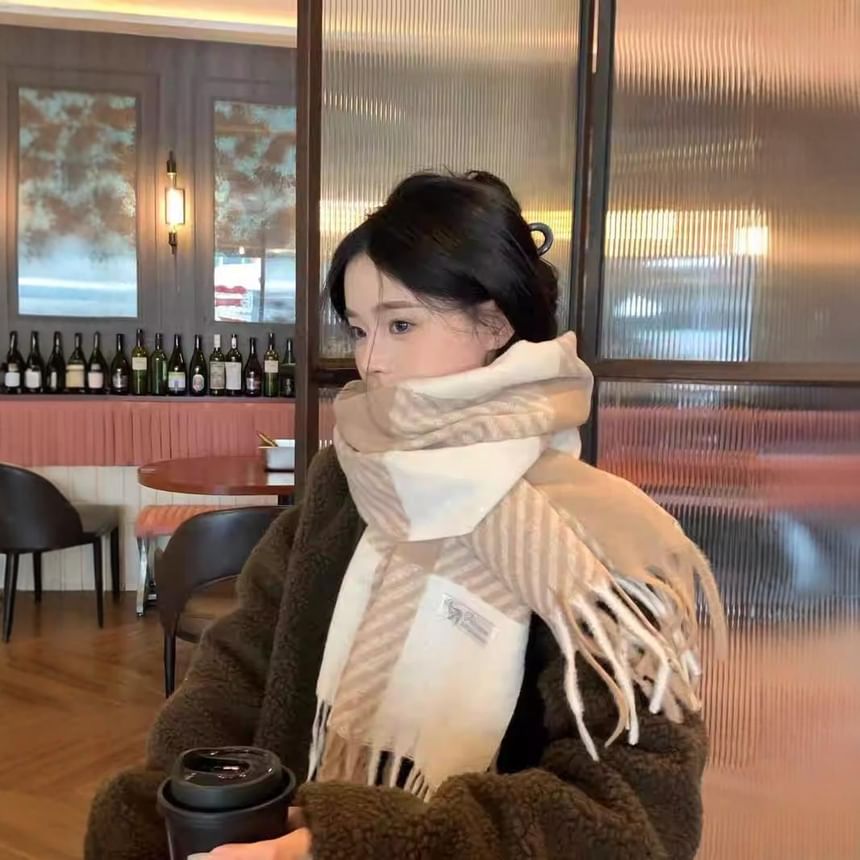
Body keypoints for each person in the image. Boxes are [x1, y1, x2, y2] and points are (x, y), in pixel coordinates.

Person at [85, 171, 726, 860]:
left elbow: (636, 815)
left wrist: (351, 844)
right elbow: (245, 656)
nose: (371, 360)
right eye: (360, 329)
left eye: (400, 325)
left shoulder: (597, 536)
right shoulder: (349, 477)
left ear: (495, 322)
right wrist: (184, 791)